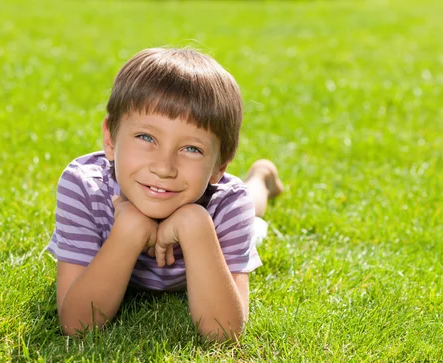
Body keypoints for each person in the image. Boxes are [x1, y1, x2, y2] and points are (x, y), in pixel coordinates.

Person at [47, 47, 283, 341]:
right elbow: (77, 324)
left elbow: (222, 332)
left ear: (219, 165)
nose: (164, 167)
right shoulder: (83, 186)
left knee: (253, 208)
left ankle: (260, 178)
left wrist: (195, 225)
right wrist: (130, 230)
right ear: (110, 139)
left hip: (221, 217)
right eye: (146, 137)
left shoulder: (229, 204)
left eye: (191, 149)